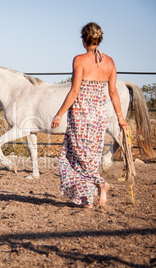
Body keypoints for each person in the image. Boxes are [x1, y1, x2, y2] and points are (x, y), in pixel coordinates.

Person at [51, 22, 128, 208]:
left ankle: (100, 183)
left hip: (81, 114)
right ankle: (87, 199)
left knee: (72, 158)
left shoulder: (79, 60)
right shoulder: (110, 62)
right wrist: (120, 117)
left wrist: (59, 114)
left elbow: (75, 91)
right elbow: (113, 93)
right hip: (99, 115)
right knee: (90, 158)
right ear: (98, 39)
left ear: (84, 39)